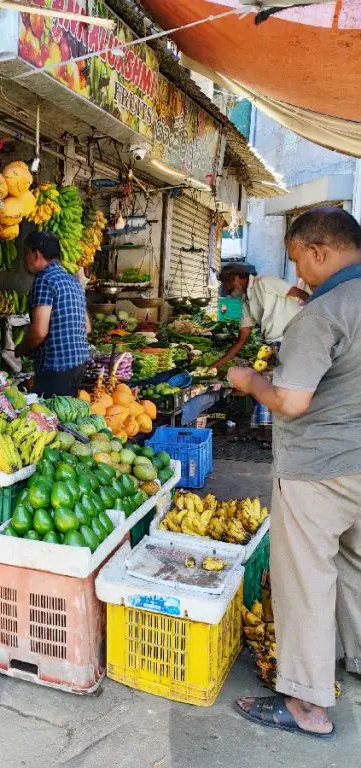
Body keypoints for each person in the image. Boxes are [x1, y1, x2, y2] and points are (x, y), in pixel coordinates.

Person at [228, 207, 361, 740]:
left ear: (320, 252)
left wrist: (249, 380)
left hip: (318, 471)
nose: (298, 273)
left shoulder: (323, 314)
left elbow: (290, 398)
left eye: (299, 260)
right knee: (354, 568)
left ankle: (307, 704)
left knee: (305, 579)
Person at [18, 232, 90, 397]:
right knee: (67, 415)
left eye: (25, 253)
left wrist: (21, 349)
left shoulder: (44, 280)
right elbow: (87, 327)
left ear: (35, 254)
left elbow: (39, 333)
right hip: (78, 364)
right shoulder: (73, 281)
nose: (24, 260)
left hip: (56, 368)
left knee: (49, 417)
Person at [213, 262, 309, 369]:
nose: (230, 294)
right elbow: (242, 339)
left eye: (230, 289)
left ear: (234, 278)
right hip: (274, 345)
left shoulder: (264, 282)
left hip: (294, 340)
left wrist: (314, 321)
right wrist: (218, 365)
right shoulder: (245, 301)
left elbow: (301, 294)